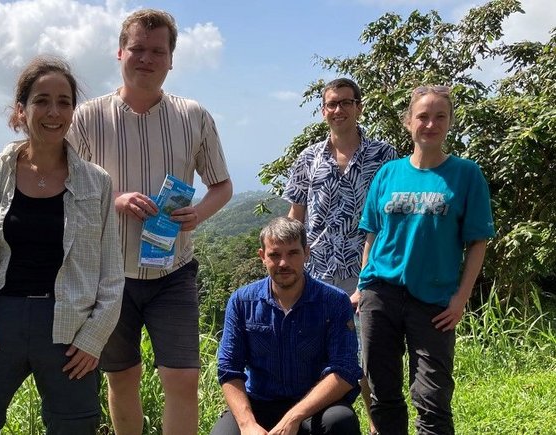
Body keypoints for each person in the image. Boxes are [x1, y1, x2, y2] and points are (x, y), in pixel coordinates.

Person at [0, 56, 125, 435]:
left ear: (73, 111)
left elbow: (111, 271)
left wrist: (93, 339)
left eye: (64, 102)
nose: (53, 111)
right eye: (42, 100)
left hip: (69, 328)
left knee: (74, 427)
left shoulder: (96, 183)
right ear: (21, 110)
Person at [67, 8, 232, 435]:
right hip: (109, 274)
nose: (146, 58)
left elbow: (221, 186)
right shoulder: (87, 117)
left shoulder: (193, 115)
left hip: (173, 270)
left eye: (157, 51)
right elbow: (65, 189)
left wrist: (199, 213)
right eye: (137, 49)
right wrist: (113, 199)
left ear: (171, 59)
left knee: (182, 379)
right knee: (122, 379)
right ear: (119, 52)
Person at [357, 85, 495, 435]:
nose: (430, 124)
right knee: (383, 393)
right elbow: (372, 234)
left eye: (439, 116)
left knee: (432, 398)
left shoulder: (466, 174)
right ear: (408, 122)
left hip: (433, 300)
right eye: (423, 116)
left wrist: (461, 299)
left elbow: (478, 241)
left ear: (449, 122)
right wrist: (362, 285)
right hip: (381, 294)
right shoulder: (388, 173)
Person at [284, 78, 397, 434]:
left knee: (369, 356)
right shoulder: (308, 158)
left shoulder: (384, 157)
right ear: (323, 111)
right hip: (316, 269)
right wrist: (288, 261)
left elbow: (394, 220)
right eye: (332, 104)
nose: (338, 110)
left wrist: (372, 275)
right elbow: (295, 216)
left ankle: (379, 426)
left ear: (359, 106)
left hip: (366, 268)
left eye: (346, 103)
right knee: (317, 352)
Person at [212, 217, 362, 435]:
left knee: (340, 421)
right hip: (259, 402)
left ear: (306, 253)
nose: (283, 263)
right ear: (262, 257)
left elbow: (346, 370)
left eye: (293, 253)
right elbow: (228, 368)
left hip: (315, 405)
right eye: (274, 255)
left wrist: (294, 417)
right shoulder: (242, 302)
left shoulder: (334, 302)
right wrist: (247, 425)